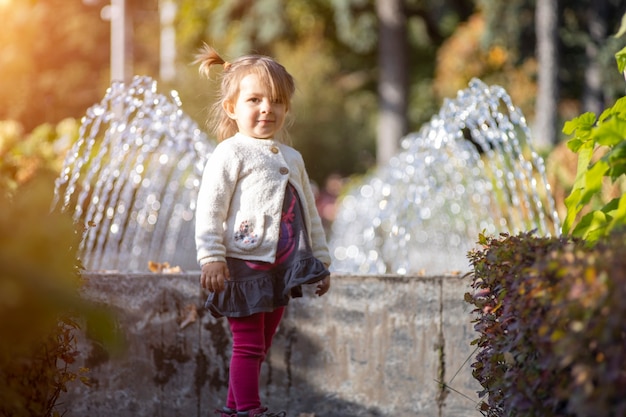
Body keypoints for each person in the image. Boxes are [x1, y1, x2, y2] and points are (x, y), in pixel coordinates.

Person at [194, 44, 332, 417]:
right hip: (242, 264)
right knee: (249, 342)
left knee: (263, 342)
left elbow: (309, 214)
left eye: (276, 101)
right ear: (231, 108)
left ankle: (233, 408)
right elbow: (210, 207)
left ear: (286, 108)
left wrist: (320, 259)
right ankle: (250, 410)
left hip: (280, 268)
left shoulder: (292, 158)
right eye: (254, 100)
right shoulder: (230, 153)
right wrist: (211, 257)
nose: (266, 109)